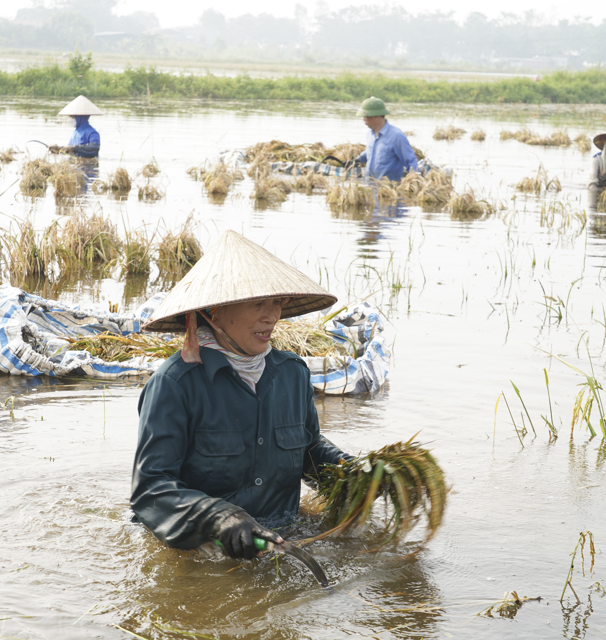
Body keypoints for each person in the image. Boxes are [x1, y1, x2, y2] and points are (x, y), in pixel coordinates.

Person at [130, 231, 352, 560]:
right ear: (214, 312)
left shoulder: (292, 373)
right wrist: (220, 518)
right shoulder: (175, 385)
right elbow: (151, 489)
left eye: (277, 302)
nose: (272, 315)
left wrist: (356, 474)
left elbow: (308, 451)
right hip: (206, 553)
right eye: (257, 303)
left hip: (282, 542)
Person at [349, 96, 418, 182]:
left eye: (366, 116)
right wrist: (357, 160)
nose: (363, 119)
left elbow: (411, 161)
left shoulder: (396, 136)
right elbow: (372, 152)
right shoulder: (370, 134)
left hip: (388, 189)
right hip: (369, 185)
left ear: (377, 116)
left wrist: (413, 183)